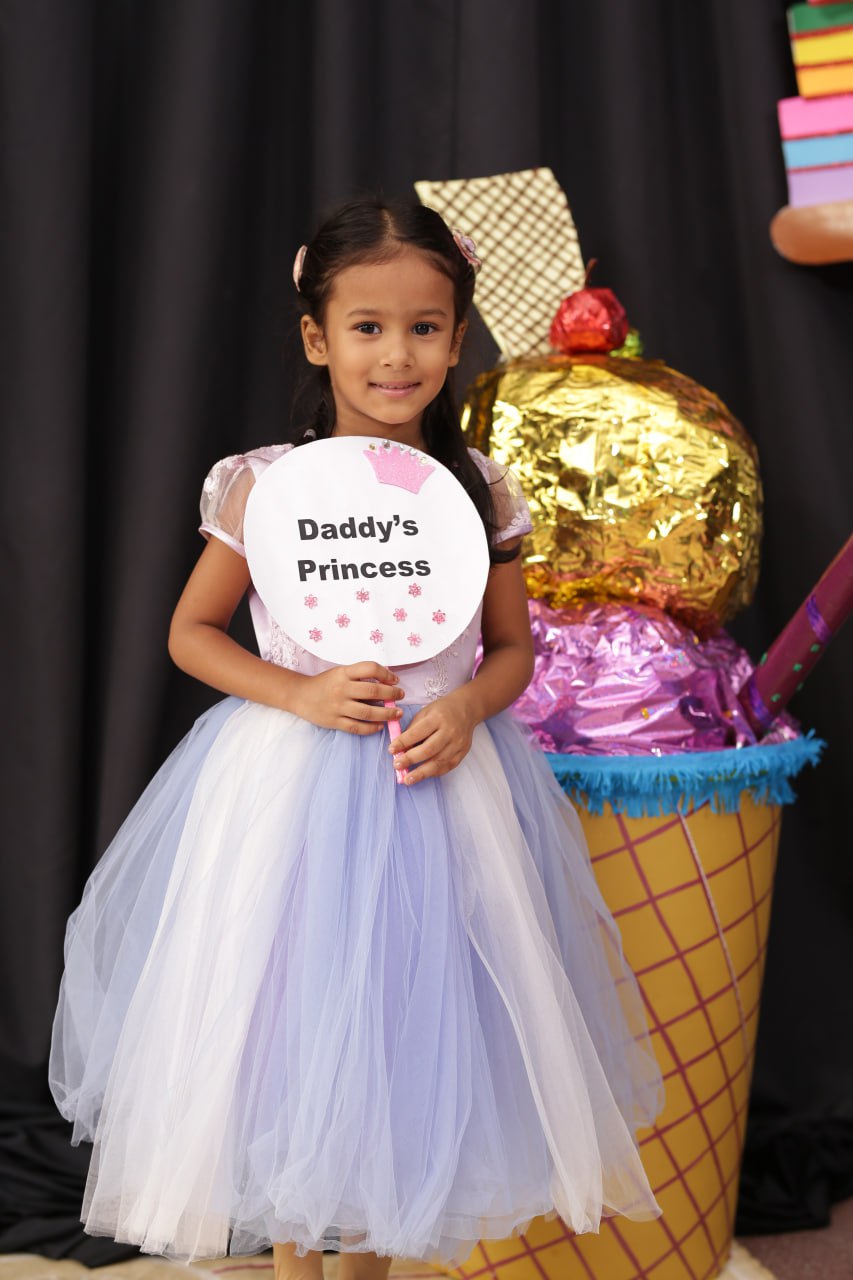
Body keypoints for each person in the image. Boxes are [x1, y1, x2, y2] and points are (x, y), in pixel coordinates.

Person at [49, 197, 664, 1280]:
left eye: (424, 326)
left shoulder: (480, 492)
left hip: (436, 793)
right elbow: (192, 633)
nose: (396, 353)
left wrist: (468, 707)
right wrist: (299, 691)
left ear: (458, 336)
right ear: (315, 336)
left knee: (402, 1050)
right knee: (294, 1036)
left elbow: (512, 652)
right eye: (367, 326)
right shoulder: (264, 485)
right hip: (288, 794)